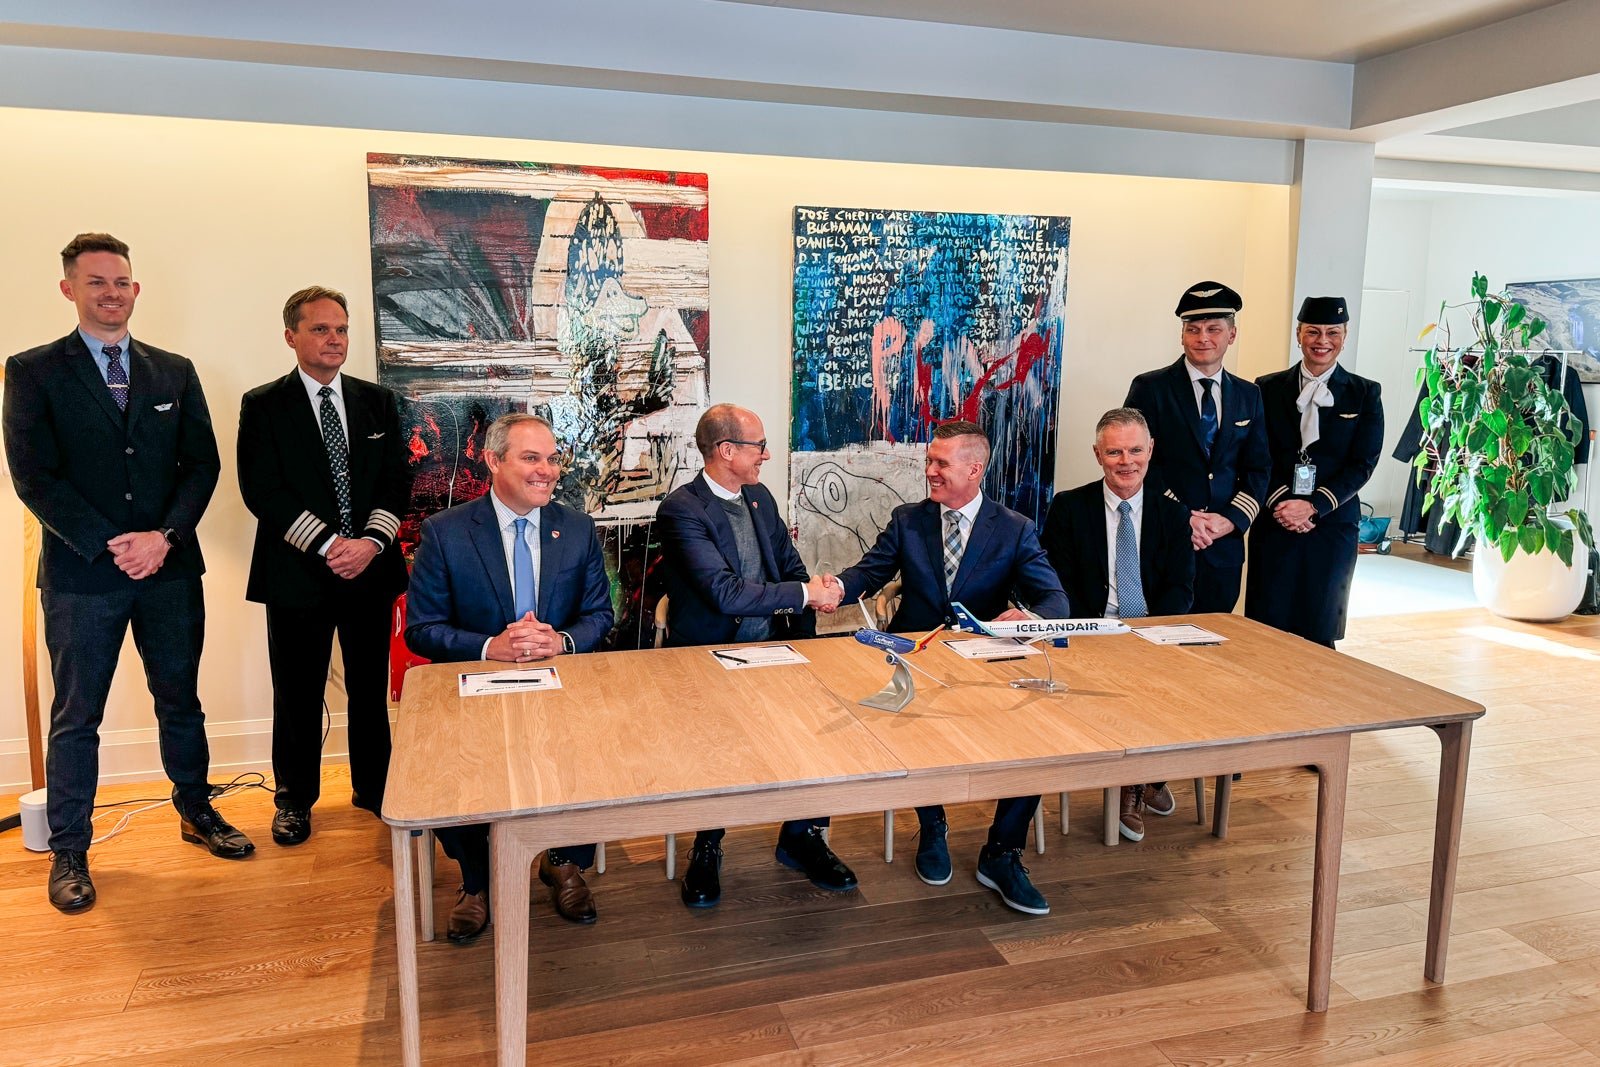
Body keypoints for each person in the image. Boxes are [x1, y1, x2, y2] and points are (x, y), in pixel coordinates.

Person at [3, 233, 253, 914]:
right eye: (96, 282)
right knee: (76, 715)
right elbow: (33, 476)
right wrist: (112, 544)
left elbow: (202, 464)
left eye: (121, 282)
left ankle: (197, 810)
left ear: (135, 289)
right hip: (83, 576)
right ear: (69, 289)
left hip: (169, 570)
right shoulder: (32, 371)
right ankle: (70, 850)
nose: (111, 293)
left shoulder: (174, 370)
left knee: (180, 700)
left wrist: (163, 538)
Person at [836, 420, 1069, 915]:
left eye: (941, 463)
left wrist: (1028, 617)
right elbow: (868, 573)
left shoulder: (1014, 528)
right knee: (909, 727)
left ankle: (1002, 853)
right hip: (916, 659)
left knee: (1036, 740)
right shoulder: (908, 520)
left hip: (987, 665)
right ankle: (932, 825)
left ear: (974, 469)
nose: (930, 471)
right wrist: (832, 589)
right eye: (930, 461)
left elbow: (1054, 599)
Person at [404, 413, 614, 941]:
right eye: (531, 458)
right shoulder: (446, 532)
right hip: (476, 688)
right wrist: (488, 647)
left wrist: (560, 641)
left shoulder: (577, 528)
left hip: (561, 684)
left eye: (552, 459)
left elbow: (599, 615)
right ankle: (476, 881)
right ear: (493, 461)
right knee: (458, 768)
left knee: (595, 750)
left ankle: (564, 860)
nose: (547, 470)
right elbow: (422, 629)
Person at [656, 403, 851, 909]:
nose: (766, 454)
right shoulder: (682, 510)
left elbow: (790, 568)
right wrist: (805, 594)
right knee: (716, 752)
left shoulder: (760, 497)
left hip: (776, 648)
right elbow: (724, 593)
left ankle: (803, 836)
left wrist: (807, 621)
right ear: (726, 451)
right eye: (758, 445)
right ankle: (707, 843)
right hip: (708, 656)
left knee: (817, 732)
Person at [237, 286, 411, 846]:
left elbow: (397, 481)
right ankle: (294, 800)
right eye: (320, 329)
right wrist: (331, 545)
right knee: (297, 693)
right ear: (291, 337)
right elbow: (262, 490)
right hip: (297, 576)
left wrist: (369, 544)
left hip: (370, 571)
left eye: (341, 329)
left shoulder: (377, 401)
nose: (334, 339)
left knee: (369, 689)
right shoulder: (263, 405)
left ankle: (375, 787)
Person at [1040, 407, 1194, 841]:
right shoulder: (1069, 508)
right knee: (1125, 686)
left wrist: (1148, 636)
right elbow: (1057, 586)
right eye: (1114, 452)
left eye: (1135, 451)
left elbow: (1181, 588)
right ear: (1097, 455)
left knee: (1178, 686)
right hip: (1090, 634)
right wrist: (1096, 634)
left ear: (1151, 450)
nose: (1126, 462)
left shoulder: (1173, 513)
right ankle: (1140, 783)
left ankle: (1143, 779)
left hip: (1153, 634)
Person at [1245, 296, 1384, 648]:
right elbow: (1257, 454)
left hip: (1332, 525)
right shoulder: (1266, 388)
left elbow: (1363, 462)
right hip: (1275, 521)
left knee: (1320, 629)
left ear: (1345, 336)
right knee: (1266, 628)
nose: (1322, 340)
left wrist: (1314, 506)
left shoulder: (1365, 393)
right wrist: (1284, 505)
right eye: (1313, 331)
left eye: (1332, 332)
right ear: (1298, 335)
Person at [1124, 280, 1269, 614]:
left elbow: (1258, 468)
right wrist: (1183, 517)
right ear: (1182, 335)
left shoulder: (1249, 395)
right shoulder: (1150, 388)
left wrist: (1231, 520)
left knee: (1215, 634)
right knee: (1156, 633)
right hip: (1166, 538)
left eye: (1213, 329)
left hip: (1222, 546)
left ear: (1232, 334)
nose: (1203, 338)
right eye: (1193, 329)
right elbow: (1137, 463)